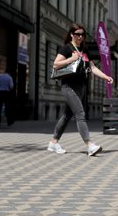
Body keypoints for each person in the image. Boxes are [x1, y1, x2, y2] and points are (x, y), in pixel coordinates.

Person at [47, 24, 113, 156]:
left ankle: (53, 143)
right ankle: (89, 145)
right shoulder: (66, 48)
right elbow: (56, 64)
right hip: (68, 86)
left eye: (82, 34)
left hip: (80, 87)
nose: (80, 36)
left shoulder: (84, 49)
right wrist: (71, 58)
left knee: (67, 116)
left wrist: (106, 76)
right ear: (71, 34)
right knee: (80, 114)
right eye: (77, 34)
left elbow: (92, 68)